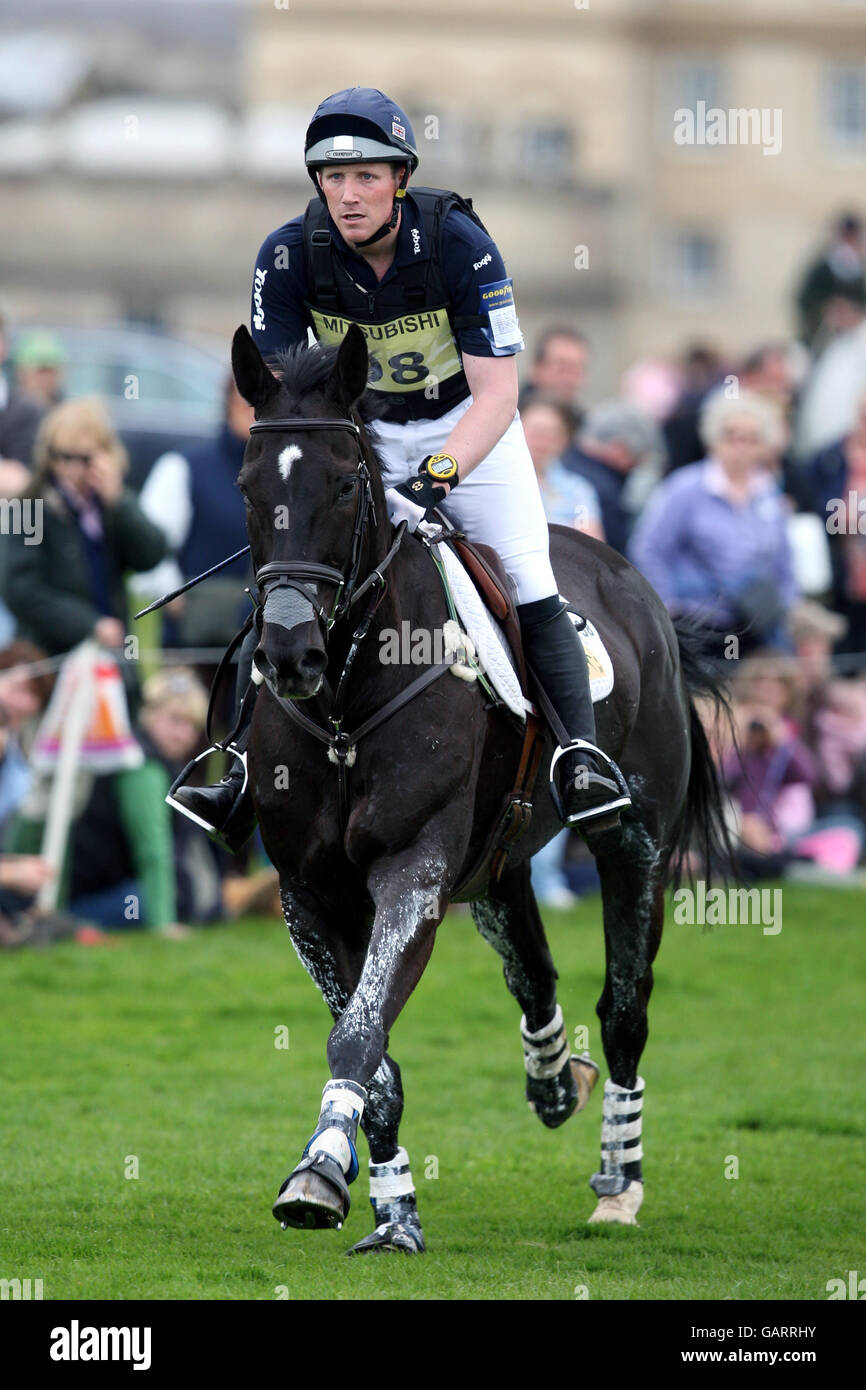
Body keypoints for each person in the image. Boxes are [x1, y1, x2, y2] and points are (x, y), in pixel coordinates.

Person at [169, 86, 631, 850]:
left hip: (467, 425)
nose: (348, 195)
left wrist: (439, 474)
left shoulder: (458, 244)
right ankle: (244, 765)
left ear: (401, 179)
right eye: (332, 178)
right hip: (365, 433)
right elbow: (284, 402)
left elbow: (499, 392)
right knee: (293, 574)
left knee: (527, 572)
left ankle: (580, 759)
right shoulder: (286, 256)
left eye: (367, 177)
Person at [3, 399, 167, 684]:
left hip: (109, 662)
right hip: (49, 661)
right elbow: (19, 590)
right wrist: (88, 625)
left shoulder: (109, 504)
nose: (72, 468)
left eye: (84, 458)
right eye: (63, 457)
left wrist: (120, 502)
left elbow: (151, 555)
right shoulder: (29, 506)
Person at [628, 388, 798, 654]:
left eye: (751, 439)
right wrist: (667, 607)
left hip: (757, 626)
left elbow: (784, 561)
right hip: (697, 627)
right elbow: (649, 548)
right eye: (731, 436)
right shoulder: (684, 488)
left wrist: (784, 605)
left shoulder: (768, 492)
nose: (740, 447)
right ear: (713, 440)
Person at [521, 396, 603, 539]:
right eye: (535, 433)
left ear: (564, 440)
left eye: (550, 434)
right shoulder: (498, 482)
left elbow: (590, 541)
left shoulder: (578, 490)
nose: (541, 442)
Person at [796, 212, 866, 349]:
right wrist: (829, 308)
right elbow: (806, 299)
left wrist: (853, 313)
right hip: (821, 336)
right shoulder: (822, 268)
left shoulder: (859, 270)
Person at [518, 325, 590, 427]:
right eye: (562, 368)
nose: (569, 379)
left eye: (576, 370)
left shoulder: (584, 427)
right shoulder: (508, 418)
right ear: (536, 368)